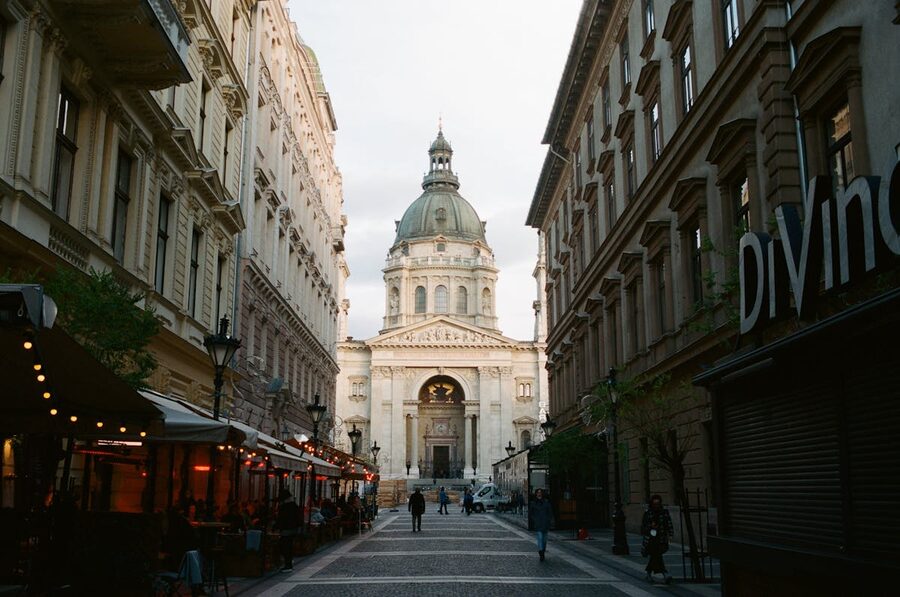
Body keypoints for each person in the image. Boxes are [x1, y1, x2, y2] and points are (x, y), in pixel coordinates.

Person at [641, 494, 674, 583]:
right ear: (651, 504)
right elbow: (643, 527)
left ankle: (649, 573)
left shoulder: (664, 512)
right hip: (651, 539)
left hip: (661, 538)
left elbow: (669, 523)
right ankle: (665, 573)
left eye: (658, 503)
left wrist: (671, 534)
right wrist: (650, 527)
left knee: (656, 556)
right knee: (657, 555)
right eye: (654, 504)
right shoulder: (648, 512)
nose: (656, 505)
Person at [273, 491, 300, 572]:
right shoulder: (294, 505)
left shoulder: (284, 507)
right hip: (293, 529)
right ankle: (289, 561)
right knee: (288, 545)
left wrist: (275, 527)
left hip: (286, 529)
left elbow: (281, 519)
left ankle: (288, 565)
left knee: (284, 546)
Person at [529, 488, 553, 561]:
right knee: (540, 538)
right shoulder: (533, 503)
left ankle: (543, 550)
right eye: (538, 493)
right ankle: (541, 552)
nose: (539, 494)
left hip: (545, 524)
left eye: (540, 492)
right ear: (536, 494)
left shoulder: (546, 503)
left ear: (542, 494)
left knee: (544, 540)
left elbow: (550, 513)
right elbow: (531, 514)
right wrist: (534, 520)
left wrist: (549, 520)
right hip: (538, 524)